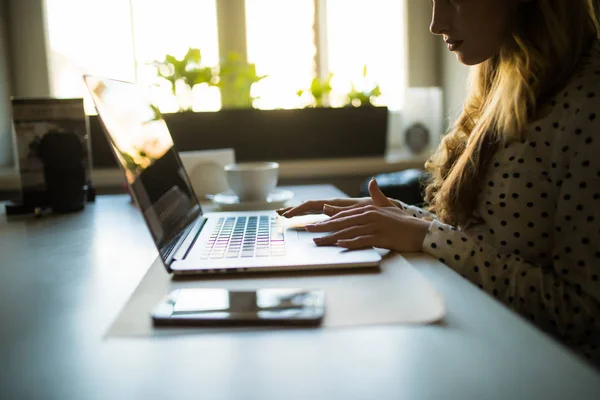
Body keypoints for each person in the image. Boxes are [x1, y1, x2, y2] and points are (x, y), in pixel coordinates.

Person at [278, 0, 600, 366]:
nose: (435, 23)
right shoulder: (506, 79)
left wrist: (425, 236)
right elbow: (482, 237)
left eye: (454, 2)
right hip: (485, 343)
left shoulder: (588, 103)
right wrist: (394, 215)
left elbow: (585, 314)